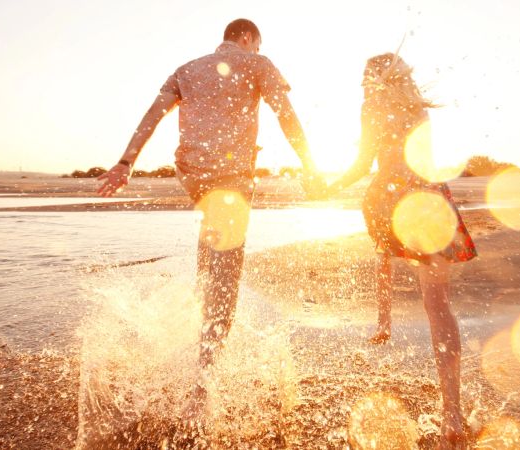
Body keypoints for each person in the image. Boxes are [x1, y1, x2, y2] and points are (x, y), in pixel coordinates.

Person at [96, 18, 323, 421]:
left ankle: (197, 339)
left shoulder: (186, 69)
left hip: (194, 174)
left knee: (210, 248)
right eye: (254, 44)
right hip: (231, 175)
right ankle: (202, 388)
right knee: (227, 274)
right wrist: (310, 164)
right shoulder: (258, 63)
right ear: (249, 38)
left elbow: (152, 116)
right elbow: (285, 115)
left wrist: (125, 162)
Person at [321, 53, 477, 448]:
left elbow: (362, 163)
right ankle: (452, 416)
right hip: (428, 198)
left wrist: (329, 186)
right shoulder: (419, 109)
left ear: (373, 79)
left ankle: (384, 319)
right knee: (439, 306)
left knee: (384, 250)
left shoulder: (370, 106)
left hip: (389, 195)